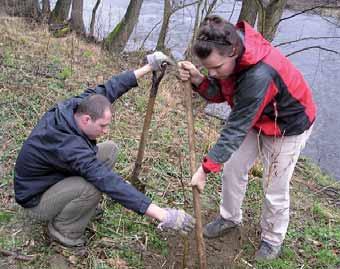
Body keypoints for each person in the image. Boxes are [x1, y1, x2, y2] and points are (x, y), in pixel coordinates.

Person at [14, 52, 194, 248]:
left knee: (109, 150)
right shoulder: (70, 146)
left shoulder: (77, 107)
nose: (106, 130)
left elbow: (110, 88)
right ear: (86, 120)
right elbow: (108, 181)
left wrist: (149, 67)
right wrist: (163, 214)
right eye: (102, 126)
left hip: (52, 176)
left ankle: (79, 208)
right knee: (94, 185)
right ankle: (64, 230)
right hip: (36, 199)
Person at [178, 16, 316, 261]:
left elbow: (235, 128)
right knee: (233, 167)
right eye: (208, 68)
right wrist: (199, 80)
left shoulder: (258, 74)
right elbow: (221, 92)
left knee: (274, 185)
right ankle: (229, 217)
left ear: (232, 51)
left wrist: (205, 169)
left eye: (216, 68)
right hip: (257, 117)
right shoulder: (233, 57)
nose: (213, 73)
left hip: (287, 125)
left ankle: (272, 238)